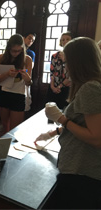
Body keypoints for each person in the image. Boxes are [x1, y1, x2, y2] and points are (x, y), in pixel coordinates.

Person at [35, 37, 101, 209]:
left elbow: (96, 138)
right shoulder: (90, 85)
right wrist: (53, 133)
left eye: (67, 62)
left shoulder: (90, 88)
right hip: (82, 169)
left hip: (83, 172)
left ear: (78, 62)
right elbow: (85, 123)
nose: (65, 67)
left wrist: (61, 118)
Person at [0, 34, 32, 133]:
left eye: (19, 51)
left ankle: (12, 147)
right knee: (6, 127)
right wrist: (7, 74)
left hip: (19, 94)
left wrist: (28, 79)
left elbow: (28, 83)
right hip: (4, 93)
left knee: (15, 130)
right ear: (8, 48)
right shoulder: (1, 58)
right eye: (14, 51)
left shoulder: (27, 59)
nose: (16, 53)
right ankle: (6, 147)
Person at [46, 31, 72, 110]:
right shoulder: (55, 56)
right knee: (50, 112)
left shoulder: (74, 57)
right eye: (63, 40)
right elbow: (52, 72)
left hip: (66, 89)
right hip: (53, 87)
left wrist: (65, 61)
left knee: (62, 113)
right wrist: (52, 86)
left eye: (67, 39)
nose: (65, 41)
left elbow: (70, 75)